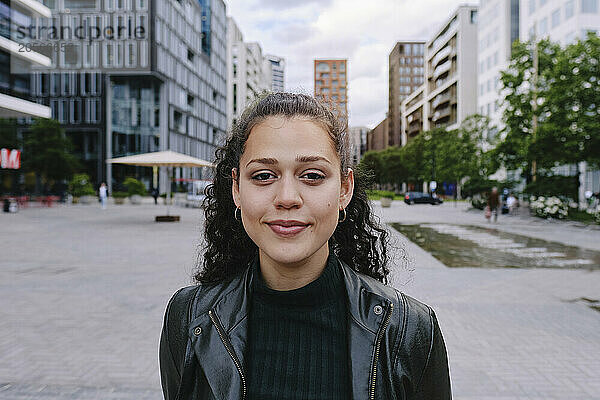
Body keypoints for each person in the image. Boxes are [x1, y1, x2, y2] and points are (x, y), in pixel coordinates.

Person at [159, 93, 452, 400]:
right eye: (263, 176)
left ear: (344, 189)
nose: (287, 197)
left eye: (312, 175)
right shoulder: (189, 318)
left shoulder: (410, 330)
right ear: (236, 188)